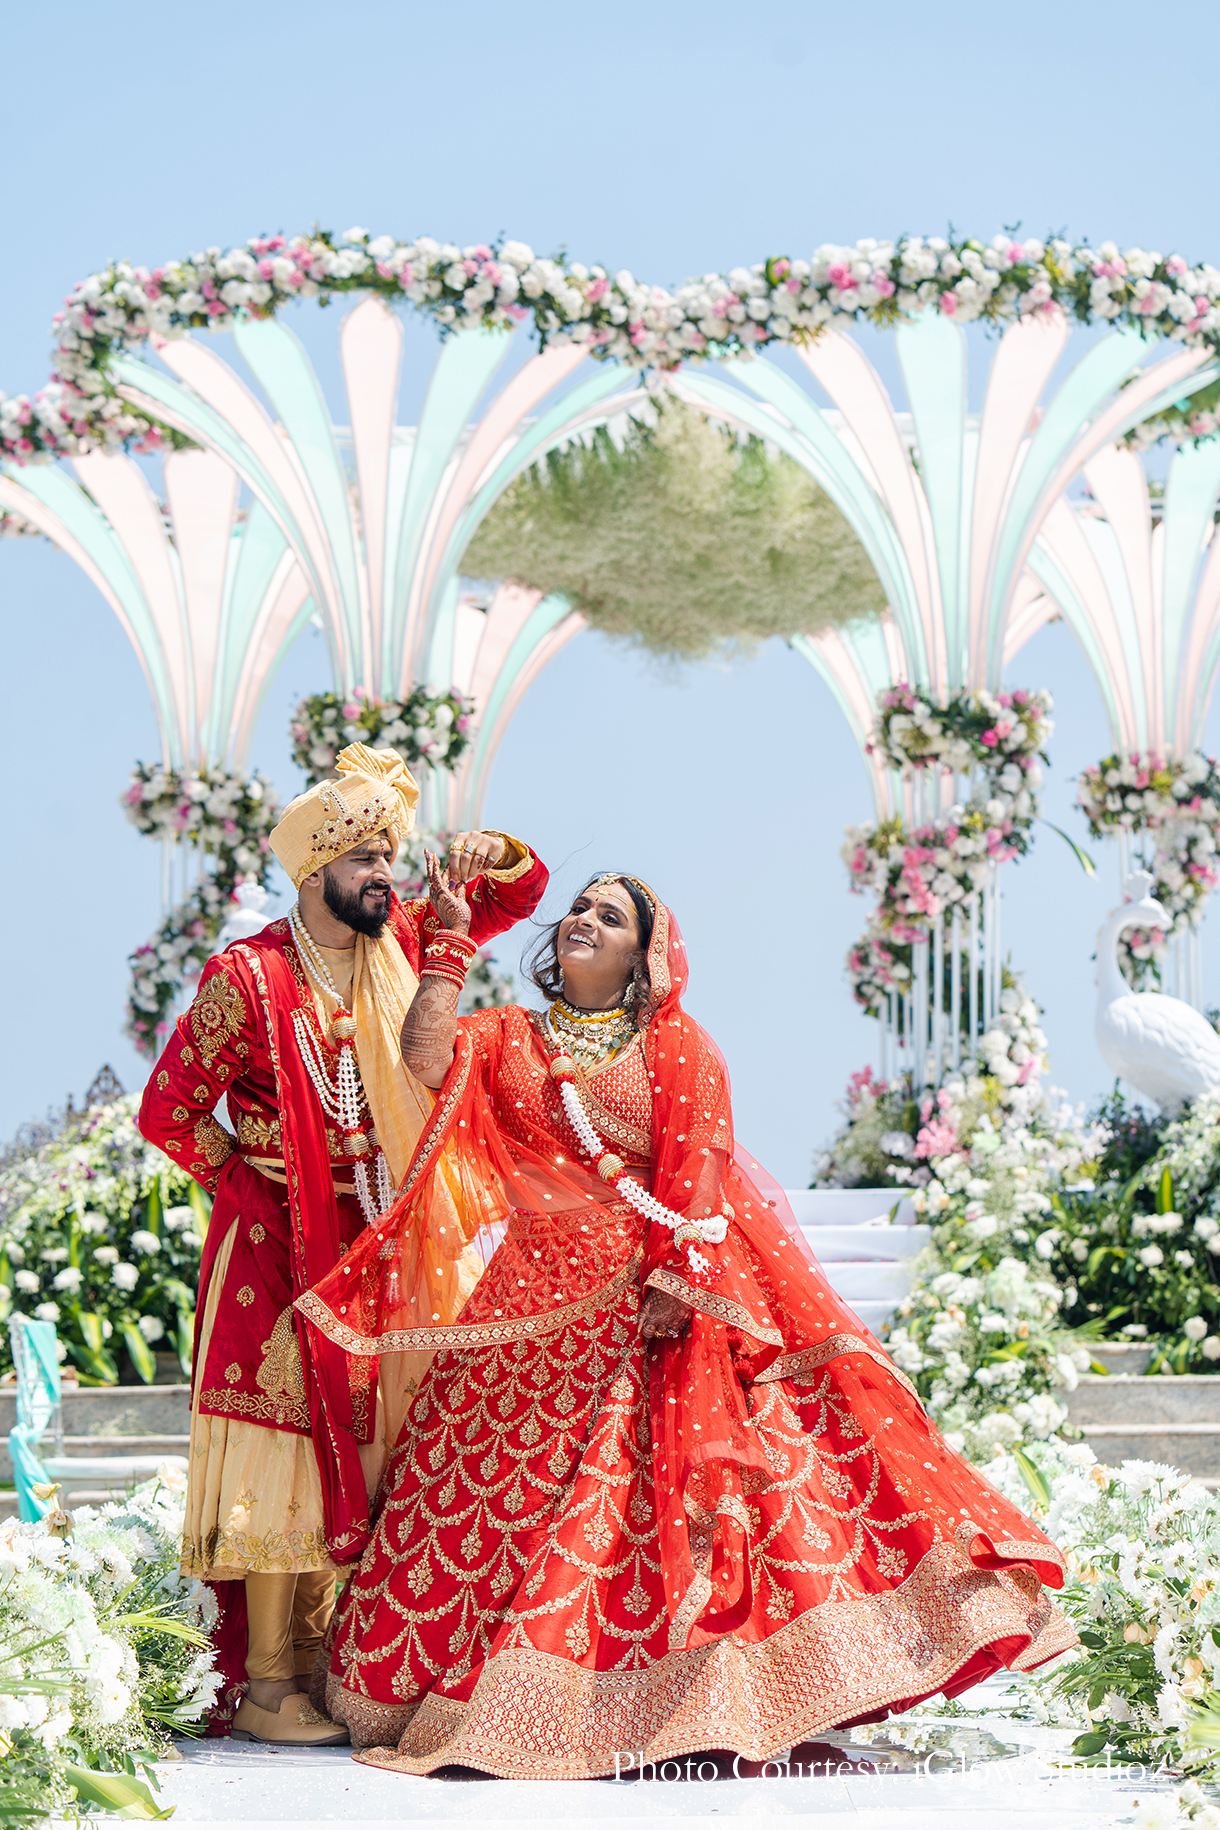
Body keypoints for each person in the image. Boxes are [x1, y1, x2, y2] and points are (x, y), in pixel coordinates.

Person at [294, 868, 1075, 1778]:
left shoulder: (675, 1044)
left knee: (645, 1503)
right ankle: (478, 1698)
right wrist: (454, 948)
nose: (584, 918)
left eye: (610, 915)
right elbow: (425, 1061)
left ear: (645, 955)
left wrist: (684, 1281)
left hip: (646, 1307)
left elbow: (698, 1167)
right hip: (520, 1313)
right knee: (485, 1503)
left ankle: (671, 1703)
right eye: (579, 907)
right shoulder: (509, 1034)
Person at [138, 742, 548, 1746]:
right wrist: (244, 1173)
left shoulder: (397, 945)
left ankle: (342, 1664)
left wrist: (488, 855)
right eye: (365, 860)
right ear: (314, 868)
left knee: (369, 1450)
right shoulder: (251, 976)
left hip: (378, 1239)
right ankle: (273, 1683)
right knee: (282, 1446)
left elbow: (511, 896)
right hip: (276, 1248)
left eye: (389, 859)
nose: (385, 878)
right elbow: (170, 1111)